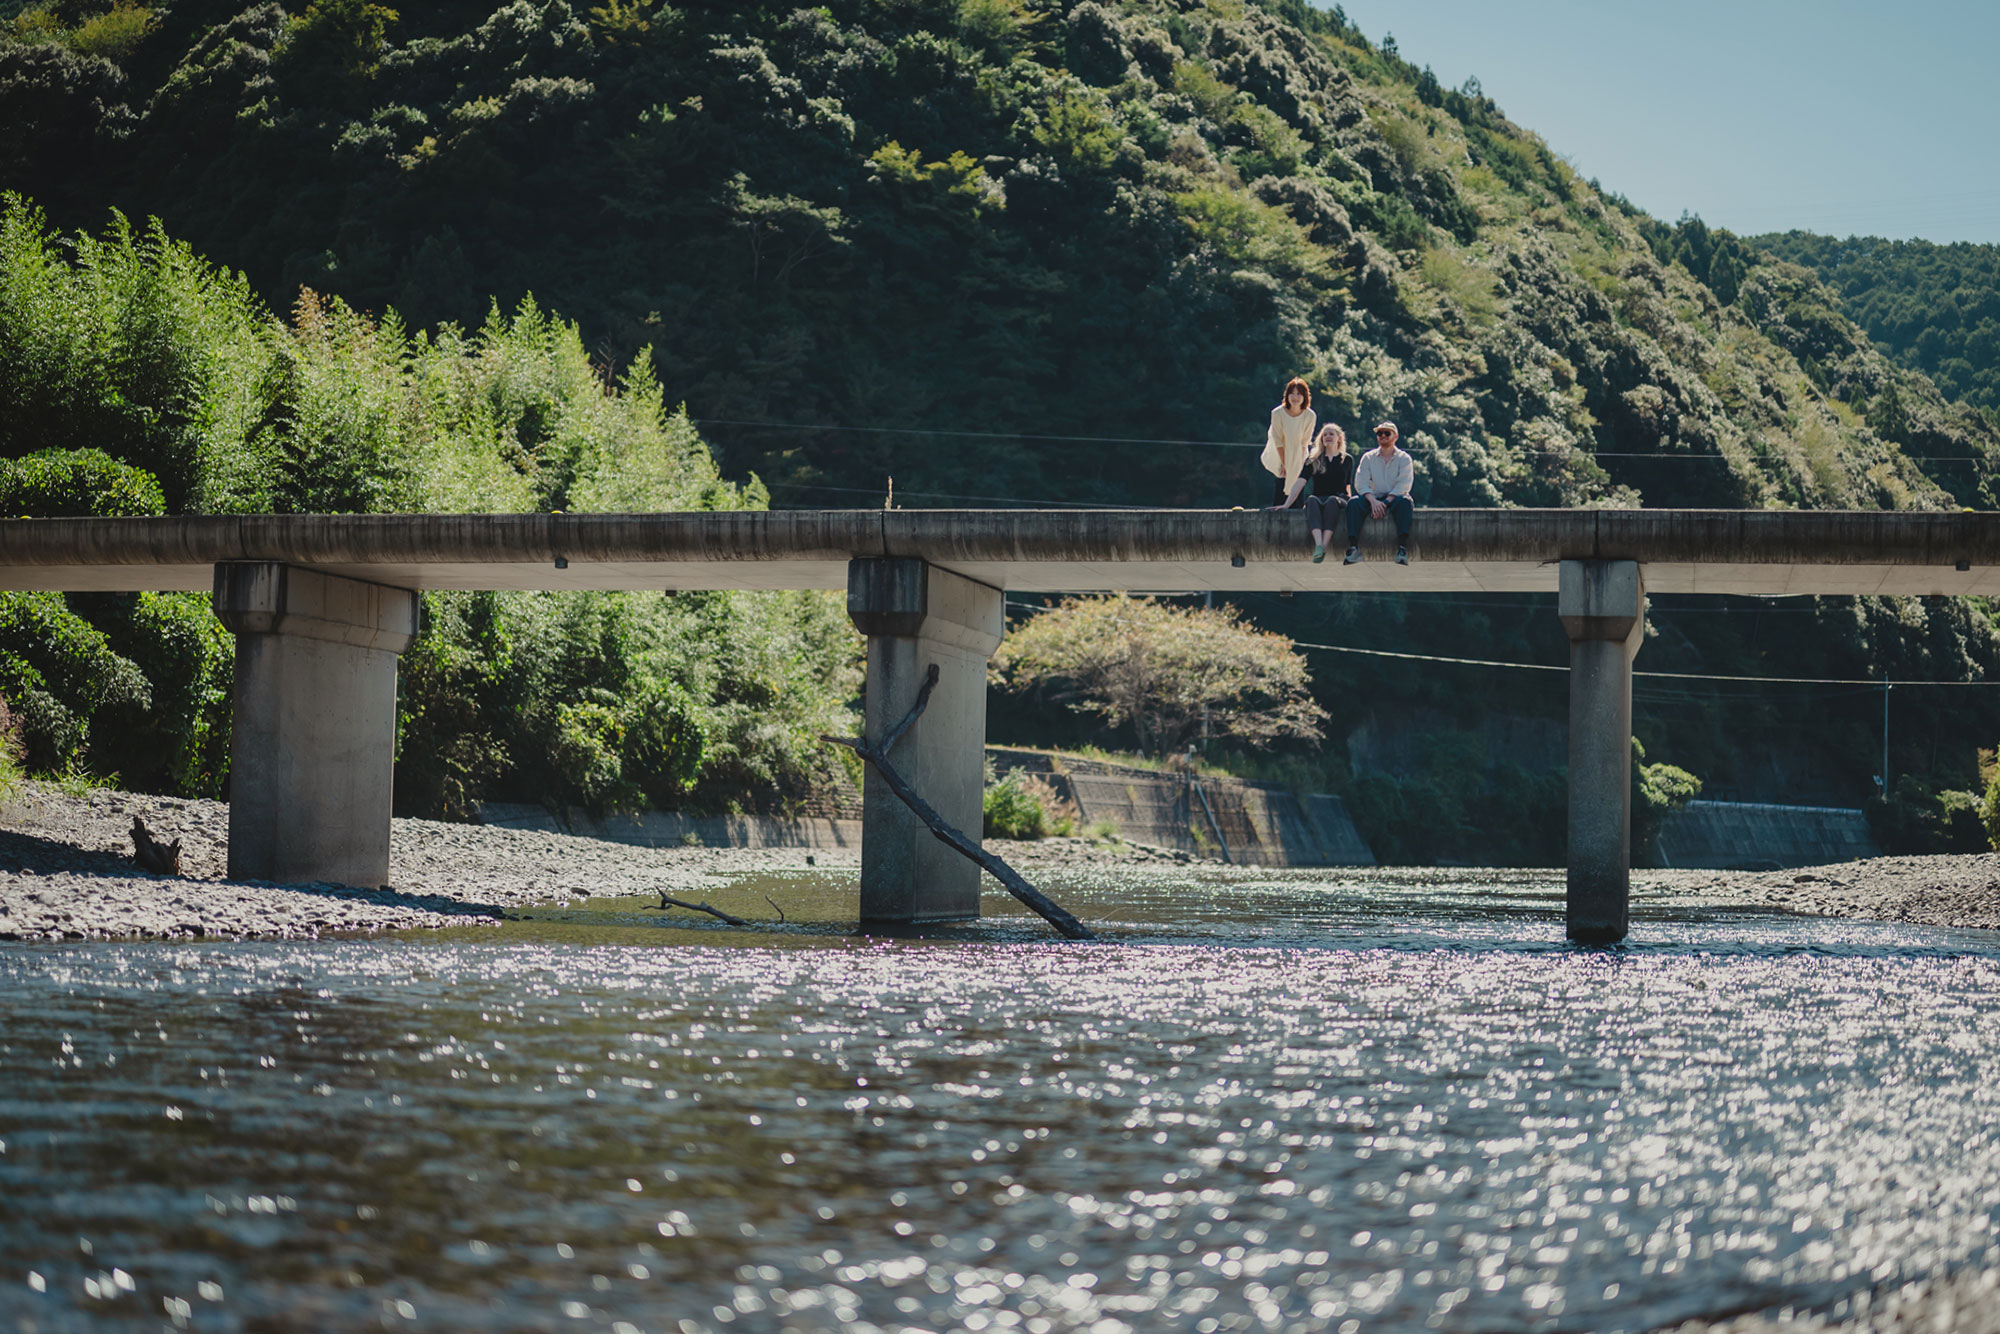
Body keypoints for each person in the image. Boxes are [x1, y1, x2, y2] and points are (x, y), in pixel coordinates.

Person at [1276, 424, 1356, 562]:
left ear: (1339, 438)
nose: (1328, 437)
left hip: (1339, 499)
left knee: (1332, 500)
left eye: (1331, 434)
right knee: (1311, 500)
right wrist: (1286, 504)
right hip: (1319, 498)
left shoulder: (1347, 459)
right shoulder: (1313, 460)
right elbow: (1300, 482)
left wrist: (1351, 503)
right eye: (1325, 435)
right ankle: (1319, 545)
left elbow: (1348, 484)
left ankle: (1324, 546)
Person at [1344, 421, 1413, 565]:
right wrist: (1373, 501)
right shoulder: (1368, 457)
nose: (1383, 436)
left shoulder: (1404, 458)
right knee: (1353, 503)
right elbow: (1361, 482)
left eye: (1387, 433)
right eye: (1379, 433)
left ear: (1395, 436)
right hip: (1373, 498)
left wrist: (1386, 502)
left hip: (1395, 498)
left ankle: (1402, 548)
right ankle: (1353, 548)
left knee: (1405, 502)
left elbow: (1404, 484)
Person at [1260, 378, 1317, 508]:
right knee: (1281, 480)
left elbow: (1305, 442)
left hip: (1298, 454)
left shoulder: (1310, 415)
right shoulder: (1277, 413)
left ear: (1305, 396)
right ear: (1287, 395)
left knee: (1297, 483)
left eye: (1299, 394)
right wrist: (1285, 463)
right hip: (1278, 453)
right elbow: (1277, 440)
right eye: (1293, 393)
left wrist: (1298, 463)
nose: (1295, 397)